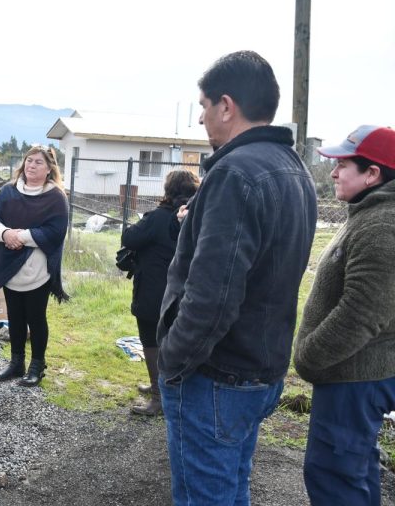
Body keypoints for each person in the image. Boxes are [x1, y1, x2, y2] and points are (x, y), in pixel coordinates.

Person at [155, 50, 317, 504]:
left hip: (216, 375)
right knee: (231, 489)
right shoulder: (293, 168)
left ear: (227, 106)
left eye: (204, 107)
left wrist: (173, 362)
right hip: (261, 369)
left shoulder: (233, 173)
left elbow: (213, 295)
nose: (203, 119)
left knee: (205, 497)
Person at [293, 125, 395, 505]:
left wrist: (310, 359)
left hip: (354, 376)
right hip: (354, 374)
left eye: (343, 165)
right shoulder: (371, 214)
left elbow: (363, 314)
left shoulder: (383, 225)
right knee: (353, 469)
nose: (333, 172)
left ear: (373, 173)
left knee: (334, 477)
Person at [0, 145, 69, 387]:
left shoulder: (55, 197)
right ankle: (16, 362)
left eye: (38, 163)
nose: (31, 166)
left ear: (49, 169)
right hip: (8, 266)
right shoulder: (8, 192)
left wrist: (21, 237)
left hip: (38, 269)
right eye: (29, 160)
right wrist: (6, 234)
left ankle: (37, 365)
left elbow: (56, 231)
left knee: (36, 317)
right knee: (15, 316)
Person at [121, 170, 199, 416]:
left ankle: (158, 397)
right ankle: (169, 389)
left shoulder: (157, 218)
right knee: (174, 343)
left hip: (153, 292)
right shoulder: (197, 217)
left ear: (167, 191)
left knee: (151, 341)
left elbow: (129, 238)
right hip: (185, 293)